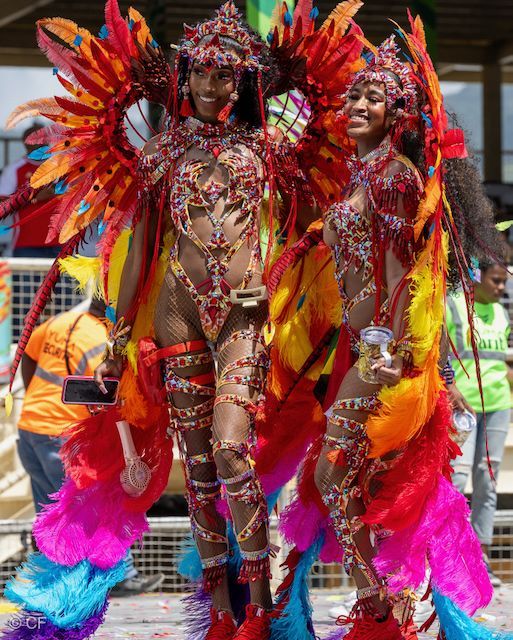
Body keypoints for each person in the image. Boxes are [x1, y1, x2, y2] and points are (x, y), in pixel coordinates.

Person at [272, 15, 511, 640]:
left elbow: (413, 271)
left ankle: (380, 603)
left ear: (397, 112)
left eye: (371, 97)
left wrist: (393, 347)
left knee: (335, 475)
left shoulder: (396, 178)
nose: (355, 104)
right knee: (369, 483)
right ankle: (388, 610)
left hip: (382, 354)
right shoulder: (363, 174)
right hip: (356, 349)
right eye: (353, 95)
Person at [17, 297, 164, 596]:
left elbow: (28, 355)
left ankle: (58, 582)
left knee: (51, 512)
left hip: (30, 427)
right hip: (63, 435)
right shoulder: (101, 341)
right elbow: (107, 390)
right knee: (98, 504)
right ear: (114, 311)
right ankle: (122, 576)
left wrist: (37, 396)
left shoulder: (60, 322)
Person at [448, 259, 512, 588]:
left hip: (499, 404)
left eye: (504, 282)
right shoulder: (454, 304)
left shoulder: (502, 313)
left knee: (488, 480)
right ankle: (451, 557)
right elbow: (443, 352)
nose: (502, 289)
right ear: (478, 275)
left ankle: (481, 558)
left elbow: (500, 359)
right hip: (463, 407)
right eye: (497, 281)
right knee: (457, 480)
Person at [0, 124, 60, 258]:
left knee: (62, 280)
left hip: (60, 243)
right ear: (25, 142)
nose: (40, 142)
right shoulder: (15, 169)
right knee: (25, 279)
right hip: (27, 244)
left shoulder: (62, 165)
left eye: (43, 138)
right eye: (34, 139)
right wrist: (36, 197)